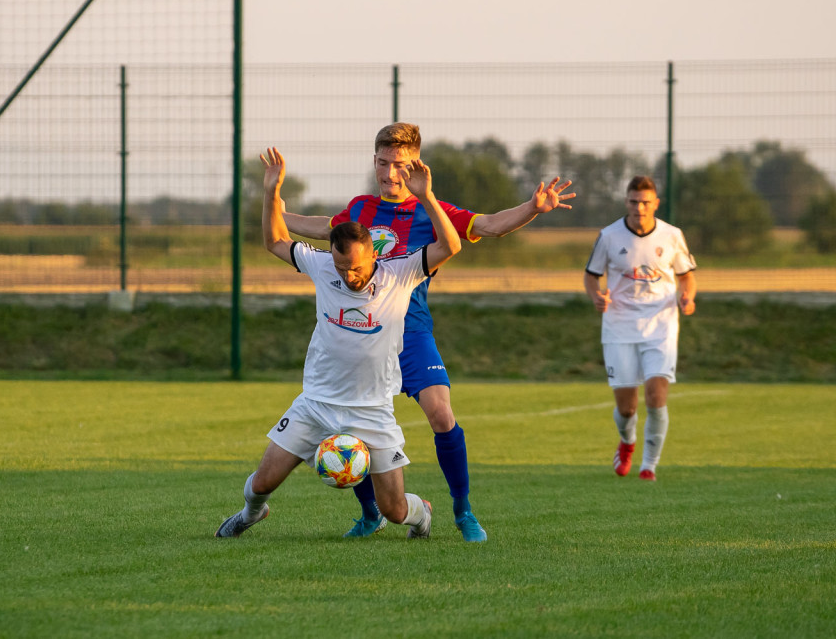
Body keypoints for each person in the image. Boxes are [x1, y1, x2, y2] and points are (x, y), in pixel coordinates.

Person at [282, 123, 575, 542]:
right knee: (350, 429)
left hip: (412, 331)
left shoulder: (431, 210)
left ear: (415, 164)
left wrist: (532, 207)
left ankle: (463, 511)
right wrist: (275, 211)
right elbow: (324, 228)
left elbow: (491, 225)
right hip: (363, 334)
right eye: (383, 162)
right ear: (375, 161)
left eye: (399, 164)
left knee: (441, 414)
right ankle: (370, 513)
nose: (389, 173)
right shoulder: (360, 208)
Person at [215, 146, 462, 539]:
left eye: (357, 268)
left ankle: (423, 514)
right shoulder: (322, 266)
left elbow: (450, 247)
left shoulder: (400, 274)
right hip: (316, 403)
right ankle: (249, 514)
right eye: (341, 267)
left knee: (394, 510)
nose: (349, 276)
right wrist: (271, 193)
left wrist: (428, 197)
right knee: (261, 483)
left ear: (374, 256)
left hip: (372, 410)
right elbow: (275, 241)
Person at [583, 175, 696, 481]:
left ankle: (649, 466)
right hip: (619, 326)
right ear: (626, 202)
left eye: (645, 202)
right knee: (627, 408)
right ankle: (627, 441)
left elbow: (686, 276)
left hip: (661, 326)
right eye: (634, 202)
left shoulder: (672, 235)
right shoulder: (609, 236)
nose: (639, 208)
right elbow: (591, 275)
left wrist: (688, 297)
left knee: (657, 397)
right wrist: (596, 296)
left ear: (656, 203)